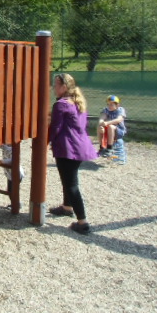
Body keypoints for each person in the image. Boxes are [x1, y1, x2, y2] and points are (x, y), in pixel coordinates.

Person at [48, 73, 98, 235]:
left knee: (71, 185)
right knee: (68, 179)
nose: (53, 87)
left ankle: (82, 222)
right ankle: (67, 207)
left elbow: (55, 128)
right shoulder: (77, 102)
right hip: (80, 146)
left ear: (64, 87)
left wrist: (46, 142)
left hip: (67, 148)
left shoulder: (61, 105)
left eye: (56, 84)